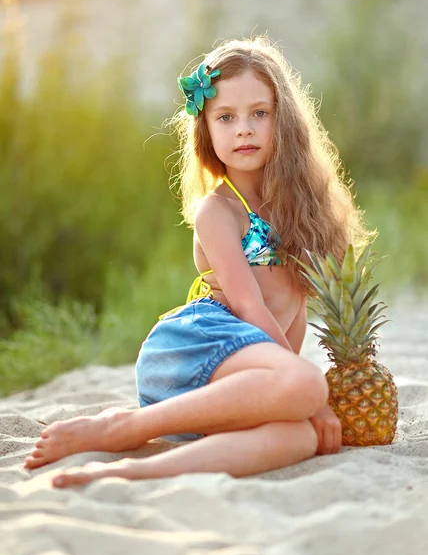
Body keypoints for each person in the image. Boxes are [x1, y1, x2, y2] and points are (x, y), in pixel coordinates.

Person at [24, 36, 373, 488]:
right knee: (308, 389)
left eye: (259, 114)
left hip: (234, 381)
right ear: (205, 129)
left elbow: (295, 310)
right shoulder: (218, 211)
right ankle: (125, 427)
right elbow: (250, 308)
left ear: (284, 120)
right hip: (195, 350)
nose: (243, 129)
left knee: (298, 437)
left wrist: (291, 391)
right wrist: (309, 391)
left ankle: (137, 468)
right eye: (226, 117)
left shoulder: (299, 210)